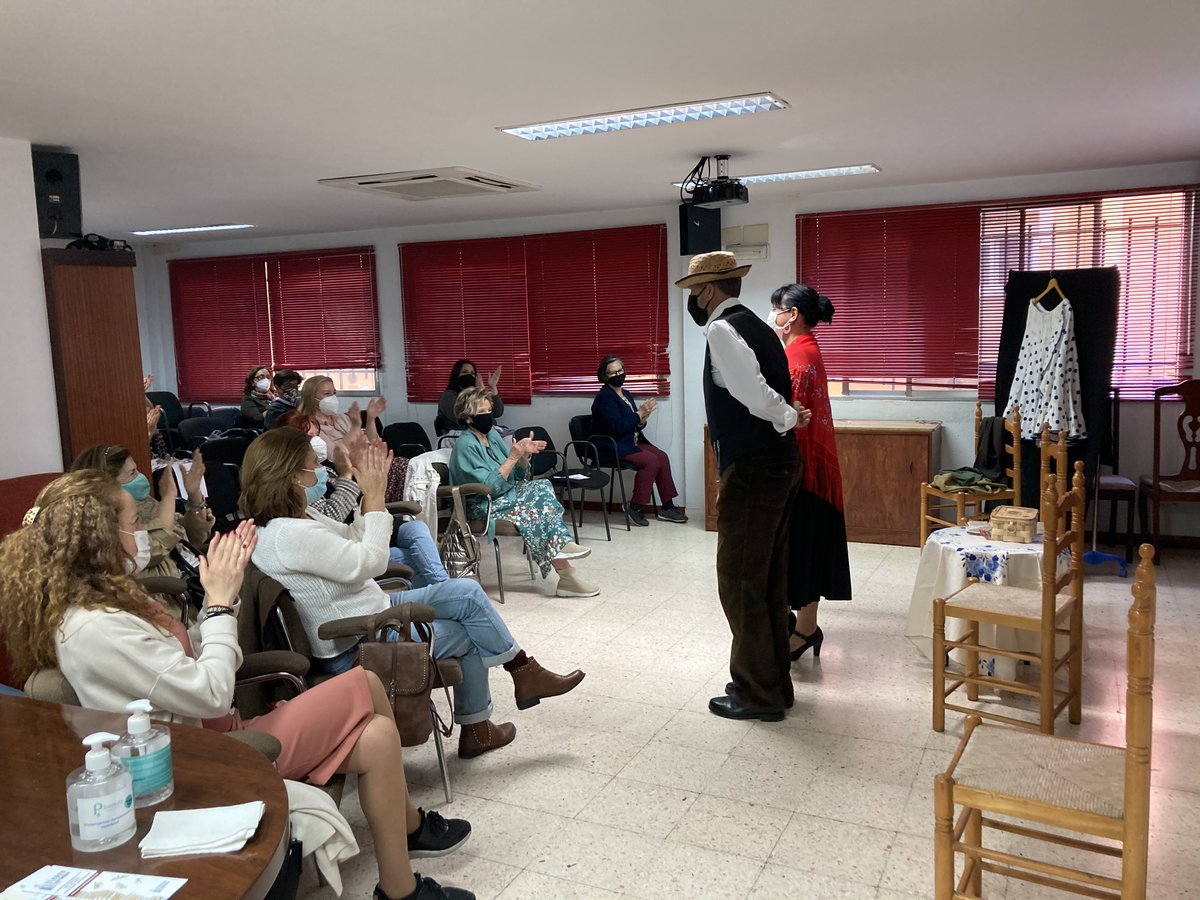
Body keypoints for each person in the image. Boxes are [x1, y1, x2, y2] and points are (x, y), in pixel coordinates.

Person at [0, 470, 476, 900]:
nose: (142, 531)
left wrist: (214, 612)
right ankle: (406, 857)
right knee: (369, 692)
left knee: (375, 729)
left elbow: (176, 663)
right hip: (206, 754)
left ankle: (401, 879)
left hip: (209, 728)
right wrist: (223, 605)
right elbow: (206, 689)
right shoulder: (94, 628)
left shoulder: (102, 602)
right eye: (131, 522)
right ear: (99, 538)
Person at [240, 427, 586, 759]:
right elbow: (372, 561)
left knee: (467, 593)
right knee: (470, 634)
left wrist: (368, 500)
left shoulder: (292, 522)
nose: (320, 473)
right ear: (292, 476)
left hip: (370, 609)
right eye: (313, 466)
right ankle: (489, 716)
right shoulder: (290, 536)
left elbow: (353, 539)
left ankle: (521, 673)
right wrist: (374, 496)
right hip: (358, 638)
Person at [677, 251, 811, 722]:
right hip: (775, 463)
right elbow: (768, 390)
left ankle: (757, 693)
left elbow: (751, 392)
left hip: (756, 469)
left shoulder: (721, 328)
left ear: (709, 290)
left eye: (694, 292)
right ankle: (773, 684)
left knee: (740, 583)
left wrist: (788, 415)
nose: (693, 302)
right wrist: (788, 416)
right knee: (767, 581)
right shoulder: (756, 324)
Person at [448, 387, 600, 598]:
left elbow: (519, 476)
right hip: (483, 506)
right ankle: (566, 570)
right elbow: (488, 487)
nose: (489, 416)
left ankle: (566, 566)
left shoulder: (491, 435)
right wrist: (512, 457)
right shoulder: (465, 445)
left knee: (542, 487)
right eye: (482, 412)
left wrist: (523, 457)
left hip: (506, 496)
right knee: (534, 510)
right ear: (467, 418)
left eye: (490, 410)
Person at [769, 284, 853, 659]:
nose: (775, 315)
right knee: (801, 548)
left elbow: (789, 412)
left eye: (778, 309)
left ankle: (805, 630)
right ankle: (801, 626)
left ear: (794, 314)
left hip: (805, 472)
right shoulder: (800, 349)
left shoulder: (799, 355)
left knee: (803, 550)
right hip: (808, 469)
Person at [71, 444, 214, 615]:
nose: (141, 477)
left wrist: (194, 495)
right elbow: (149, 550)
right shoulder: (104, 524)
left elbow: (192, 536)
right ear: (107, 485)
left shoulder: (145, 503)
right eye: (132, 473)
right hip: (165, 601)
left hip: (194, 579)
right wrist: (168, 495)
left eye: (137, 470)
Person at [590, 355, 686, 526]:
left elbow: (632, 424)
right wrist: (638, 414)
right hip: (613, 445)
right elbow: (618, 427)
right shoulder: (604, 398)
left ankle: (667, 507)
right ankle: (635, 506)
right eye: (613, 373)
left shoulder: (625, 394)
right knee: (651, 461)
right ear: (605, 377)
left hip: (629, 441)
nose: (618, 374)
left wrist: (642, 419)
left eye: (620, 370)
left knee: (661, 456)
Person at [435, 360, 503, 436]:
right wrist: (481, 389)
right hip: (460, 436)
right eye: (464, 372)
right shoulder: (448, 396)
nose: (469, 375)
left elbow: (498, 413)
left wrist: (493, 387)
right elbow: (466, 419)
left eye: (472, 373)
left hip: (487, 433)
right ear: (456, 375)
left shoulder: (476, 394)